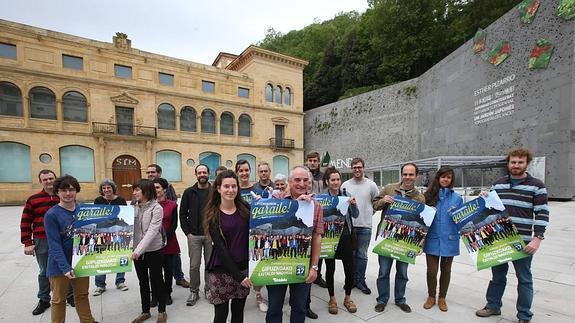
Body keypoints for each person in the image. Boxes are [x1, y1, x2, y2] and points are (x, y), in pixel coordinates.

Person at [475, 148, 549, 323]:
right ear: (508, 163)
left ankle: (524, 315)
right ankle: (493, 306)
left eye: (520, 162)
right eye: (513, 162)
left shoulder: (537, 186)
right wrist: (484, 197)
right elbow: (490, 208)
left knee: (524, 279)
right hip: (500, 238)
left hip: (523, 241)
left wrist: (537, 238)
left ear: (527, 163)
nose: (516, 165)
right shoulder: (498, 184)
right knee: (497, 276)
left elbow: (542, 213)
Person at [265, 166, 323, 323]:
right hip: (277, 265)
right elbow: (271, 226)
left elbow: (317, 236)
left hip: (302, 265)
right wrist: (295, 206)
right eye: (297, 180)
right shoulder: (276, 200)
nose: (302, 184)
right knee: (274, 308)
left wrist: (314, 267)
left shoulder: (316, 206)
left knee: (299, 307)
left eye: (306, 180)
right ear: (289, 182)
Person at [372, 163, 425, 313]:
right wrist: (383, 201)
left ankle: (400, 299)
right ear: (401, 175)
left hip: (405, 241)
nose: (408, 177)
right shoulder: (389, 189)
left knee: (402, 272)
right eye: (405, 174)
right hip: (386, 238)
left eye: (411, 174)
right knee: (383, 272)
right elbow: (374, 204)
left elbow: (422, 224)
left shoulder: (419, 197)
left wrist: (420, 244)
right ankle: (382, 299)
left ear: (416, 176)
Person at [44, 175, 97, 323]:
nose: (68, 194)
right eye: (63, 190)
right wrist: (65, 268)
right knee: (58, 300)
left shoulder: (84, 210)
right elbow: (54, 244)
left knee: (81, 296)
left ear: (76, 191)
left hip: (80, 262)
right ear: (57, 192)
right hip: (59, 266)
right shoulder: (52, 214)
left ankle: (88, 321)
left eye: (71, 189)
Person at [204, 170, 252, 323]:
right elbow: (221, 249)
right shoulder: (213, 214)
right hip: (221, 271)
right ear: (218, 188)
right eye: (226, 186)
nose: (231, 190)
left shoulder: (246, 208)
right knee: (221, 315)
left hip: (243, 267)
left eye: (234, 186)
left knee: (238, 314)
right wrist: (239, 276)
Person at [422, 167, 463, 312]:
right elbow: (421, 218)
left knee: (446, 271)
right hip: (432, 239)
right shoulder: (429, 196)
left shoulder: (457, 198)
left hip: (449, 240)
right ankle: (431, 296)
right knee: (431, 271)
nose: (446, 179)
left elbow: (463, 219)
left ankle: (442, 298)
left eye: (449, 177)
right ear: (438, 178)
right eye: (443, 177)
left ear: (452, 180)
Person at [21, 169, 60, 315]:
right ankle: (44, 299)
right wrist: (27, 242)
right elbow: (25, 221)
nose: (49, 181)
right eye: (45, 179)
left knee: (66, 268)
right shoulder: (33, 199)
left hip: (61, 240)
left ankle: (69, 297)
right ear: (41, 181)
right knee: (44, 271)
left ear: (55, 179)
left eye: (51, 178)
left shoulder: (63, 196)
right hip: (41, 240)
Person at [322, 166, 359, 315]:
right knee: (330, 270)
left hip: (345, 238)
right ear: (327, 181)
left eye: (338, 179)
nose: (336, 182)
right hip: (329, 239)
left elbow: (355, 215)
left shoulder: (346, 194)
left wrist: (353, 204)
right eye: (333, 180)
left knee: (349, 270)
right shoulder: (322, 197)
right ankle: (332, 298)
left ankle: (348, 297)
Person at [340, 157, 380, 295]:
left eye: (359, 167)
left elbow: (376, 203)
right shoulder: (345, 185)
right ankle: (350, 281)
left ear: (363, 168)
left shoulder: (371, 185)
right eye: (354, 167)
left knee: (362, 255)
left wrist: (368, 213)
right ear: (351, 169)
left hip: (365, 226)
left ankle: (360, 280)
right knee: (350, 255)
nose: (357, 169)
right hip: (349, 227)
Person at [131, 179, 167, 323]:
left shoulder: (157, 208)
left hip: (153, 250)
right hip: (136, 252)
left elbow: (152, 231)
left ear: (146, 191)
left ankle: (162, 311)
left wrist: (138, 250)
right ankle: (145, 311)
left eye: (137, 190)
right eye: (134, 190)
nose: (134, 193)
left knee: (157, 280)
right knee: (143, 282)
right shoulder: (133, 206)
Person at [147, 164, 188, 289]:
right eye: (148, 172)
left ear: (159, 173)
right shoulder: (145, 187)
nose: (150, 174)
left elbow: (173, 202)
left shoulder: (168, 187)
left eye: (152, 172)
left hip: (168, 230)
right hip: (151, 236)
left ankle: (179, 277)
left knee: (174, 257)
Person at [235, 159, 268, 312]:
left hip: (256, 233)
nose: (244, 173)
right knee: (239, 265)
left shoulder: (258, 190)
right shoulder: (234, 190)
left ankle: (258, 295)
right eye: (241, 170)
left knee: (256, 264)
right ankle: (237, 293)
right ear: (237, 172)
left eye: (246, 170)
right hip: (238, 233)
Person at [180, 164, 212, 306]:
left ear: (208, 174)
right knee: (194, 265)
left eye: (204, 172)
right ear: (196, 175)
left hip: (210, 235)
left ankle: (209, 289)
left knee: (210, 265)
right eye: (199, 172)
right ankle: (194, 291)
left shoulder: (214, 192)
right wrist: (188, 233)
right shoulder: (189, 192)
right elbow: (182, 214)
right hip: (194, 235)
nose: (202, 174)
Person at [92, 178, 129, 296]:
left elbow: (123, 214)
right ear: (101, 190)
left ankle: (120, 281)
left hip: (117, 231)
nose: (106, 190)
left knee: (120, 254)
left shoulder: (121, 200)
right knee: (101, 256)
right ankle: (100, 285)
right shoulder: (98, 200)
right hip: (102, 231)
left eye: (109, 187)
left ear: (113, 188)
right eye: (104, 188)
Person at [154, 178, 180, 306]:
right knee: (154, 271)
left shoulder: (172, 204)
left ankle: (167, 293)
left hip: (168, 241)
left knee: (168, 270)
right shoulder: (149, 204)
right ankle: (155, 295)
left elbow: (174, 224)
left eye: (158, 187)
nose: (155, 190)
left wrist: (165, 239)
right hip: (152, 243)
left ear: (164, 189)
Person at [305, 152, 327, 289]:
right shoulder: (303, 175)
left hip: (320, 213)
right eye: (310, 160)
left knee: (320, 249)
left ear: (319, 162)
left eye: (315, 160)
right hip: (306, 214)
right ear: (306, 161)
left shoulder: (324, 177)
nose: (312, 163)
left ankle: (317, 275)